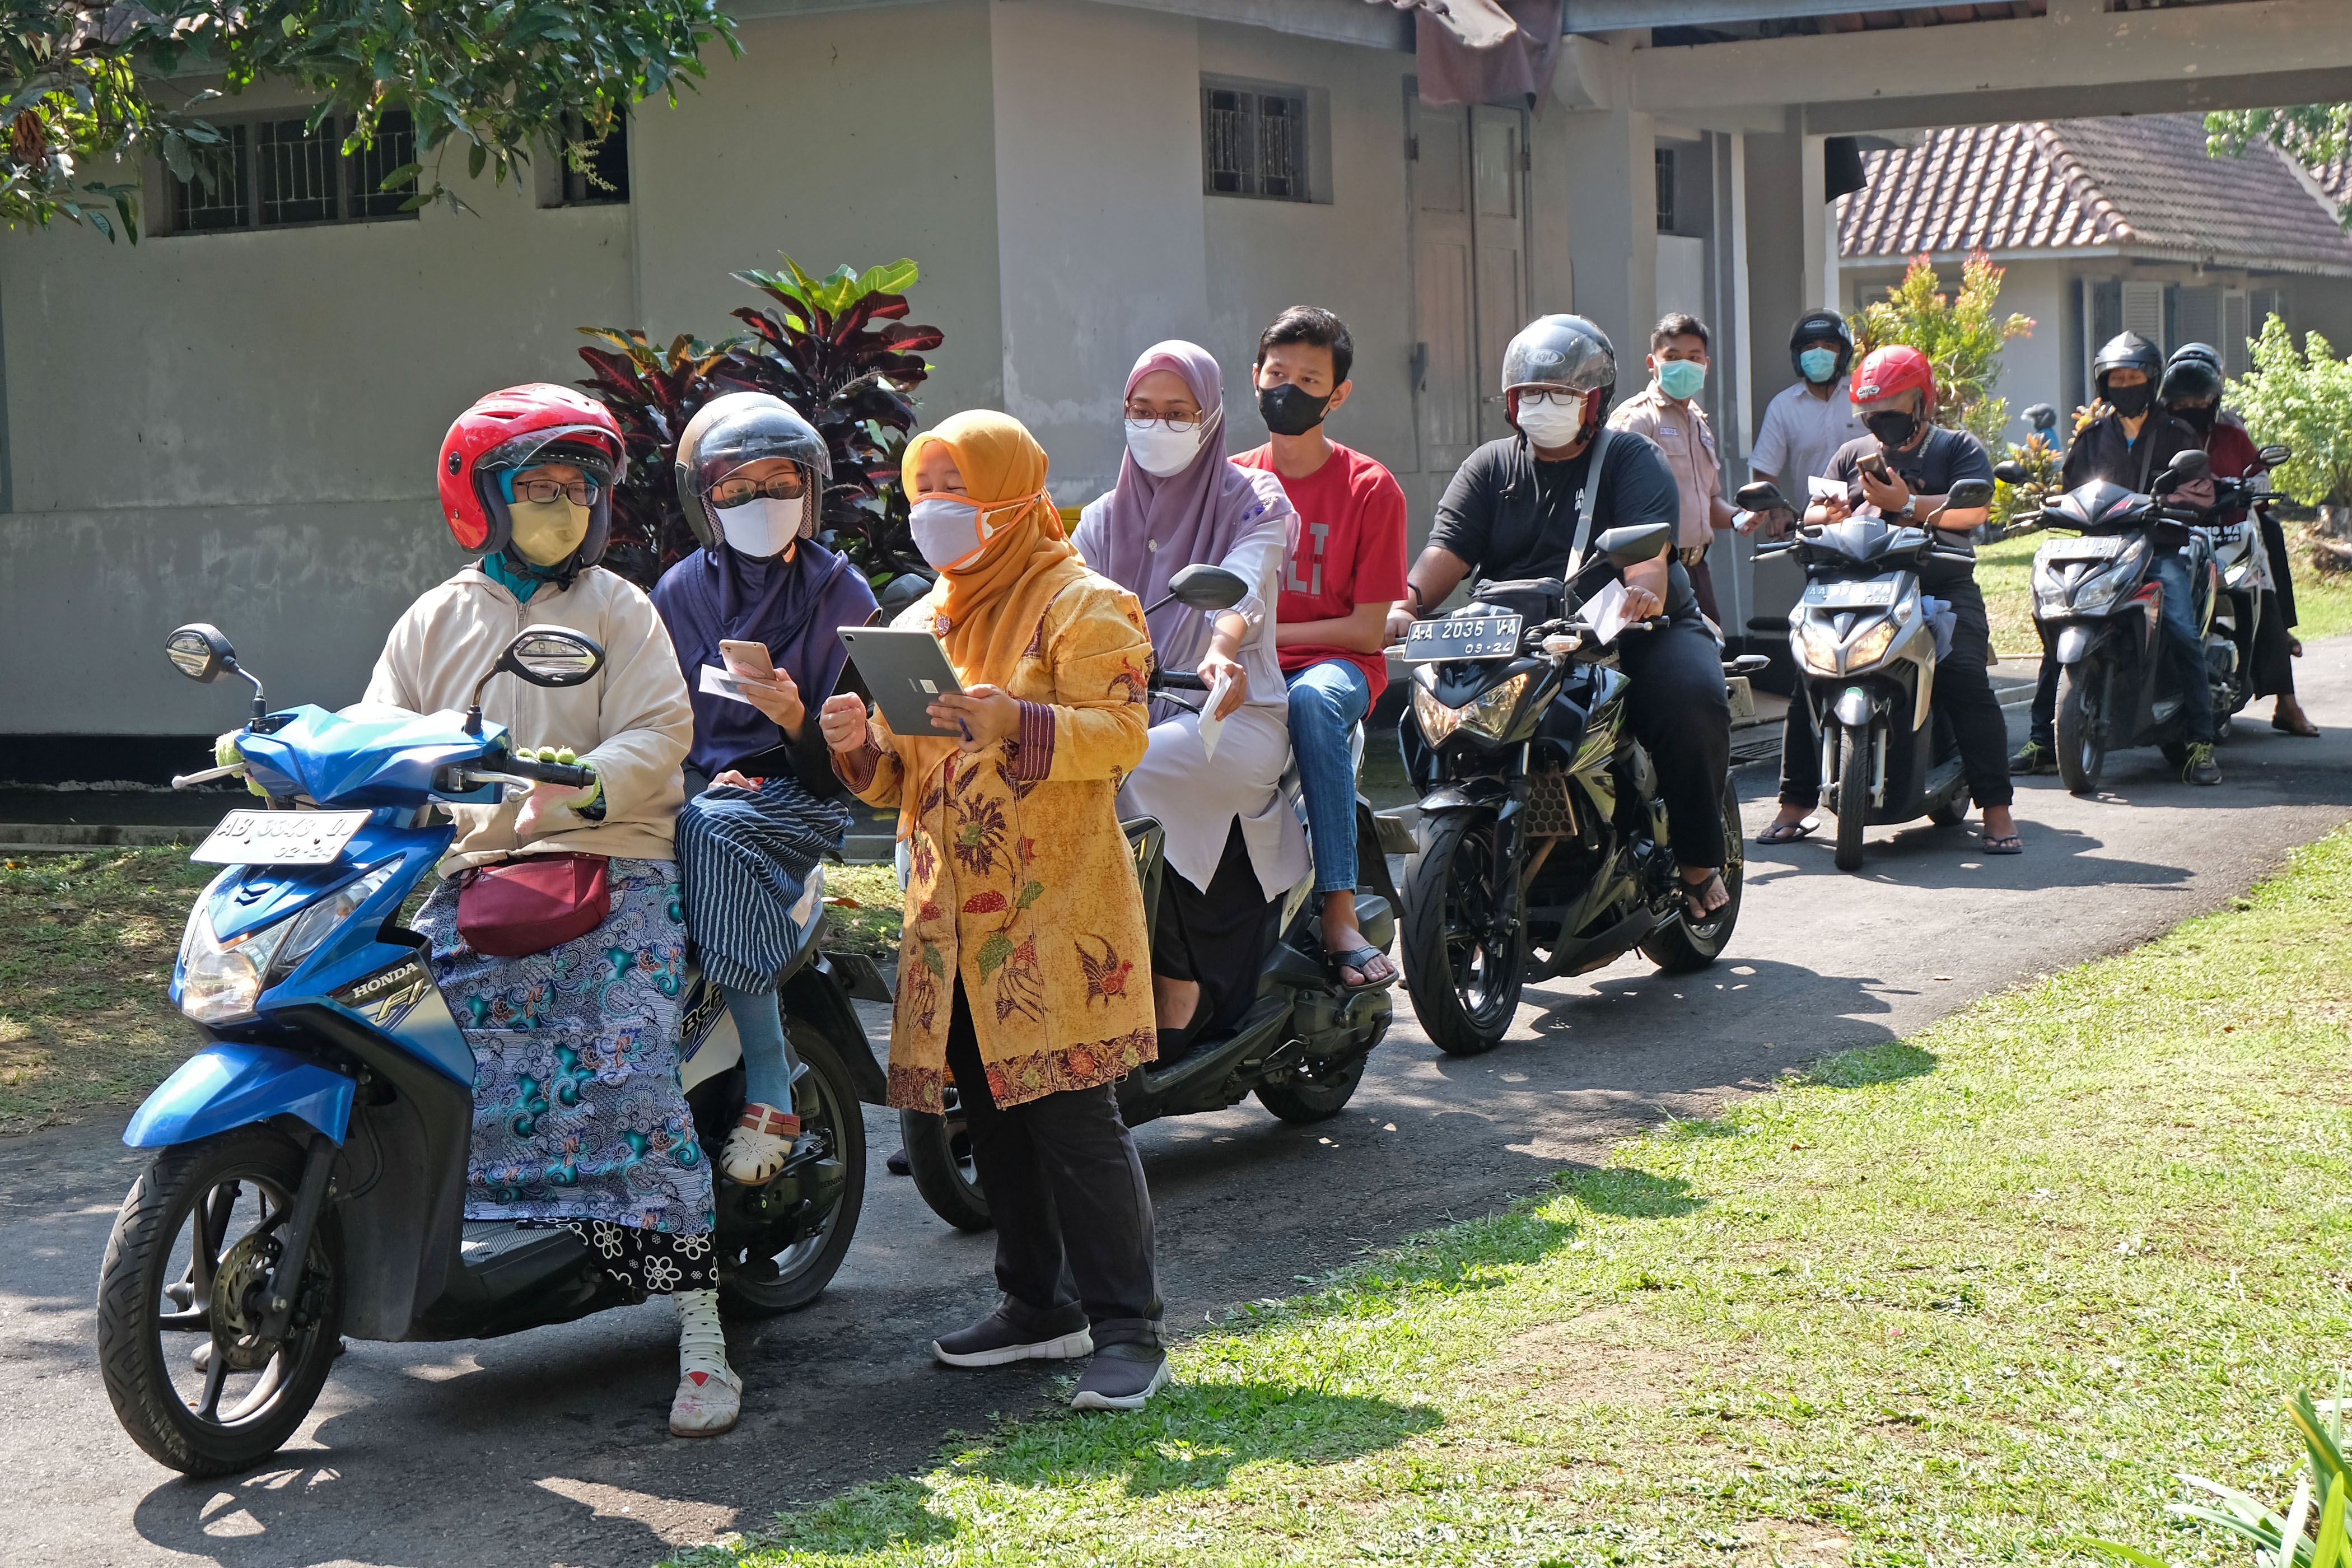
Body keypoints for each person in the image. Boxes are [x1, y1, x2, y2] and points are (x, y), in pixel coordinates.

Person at [361, 384, 730, 1436]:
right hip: (474, 883)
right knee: (410, 1050)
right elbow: (380, 738)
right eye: (539, 486)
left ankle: (701, 1323)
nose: (563, 505)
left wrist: (581, 786)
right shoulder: (432, 619)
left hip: (615, 869)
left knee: (631, 1065)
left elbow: (661, 735)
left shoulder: (622, 608)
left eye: (580, 487)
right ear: (484, 498)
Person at [818, 409, 1169, 1411]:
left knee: (1072, 1116)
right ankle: (1036, 1307)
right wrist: (854, 744)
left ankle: (1128, 1331)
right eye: (923, 495)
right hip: (951, 918)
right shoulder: (930, 616)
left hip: (1049, 912)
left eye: (957, 497)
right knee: (997, 1111)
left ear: (1016, 500)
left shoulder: (1086, 603)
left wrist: (1015, 718)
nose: (935, 516)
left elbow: (1123, 734)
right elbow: (905, 777)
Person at [1385, 314, 1734, 922]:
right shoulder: (1489, 467)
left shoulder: (1631, 457)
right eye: (1532, 394)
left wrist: (1645, 591)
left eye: (1564, 395)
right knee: (1433, 715)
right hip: (1519, 636)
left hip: (1631, 625)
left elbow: (1649, 557)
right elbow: (1444, 553)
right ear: (1512, 401)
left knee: (1691, 699)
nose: (1545, 405)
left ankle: (1700, 863)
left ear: (1594, 401)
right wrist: (1405, 603)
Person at [652, 393, 880, 1189]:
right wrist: (698, 773)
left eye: (780, 481)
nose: (761, 502)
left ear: (810, 489)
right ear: (705, 501)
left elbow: (843, 774)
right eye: (737, 488)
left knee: (710, 832)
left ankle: (772, 1086)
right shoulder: (679, 594)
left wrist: (794, 720)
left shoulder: (846, 598)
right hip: (699, 792)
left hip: (796, 798)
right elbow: (657, 719)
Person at [1075, 341, 1309, 1050]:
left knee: (1129, 768)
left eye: (1179, 413)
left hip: (1233, 709)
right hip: (1127, 712)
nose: (1158, 426)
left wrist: (1218, 649)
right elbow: (1062, 602)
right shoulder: (1101, 519)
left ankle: (1178, 977)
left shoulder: (1255, 498)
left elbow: (1243, 582)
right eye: (1142, 412)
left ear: (1209, 419)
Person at [1757, 346, 2022, 853]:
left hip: (1939, 587)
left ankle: (1997, 810)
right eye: (1872, 413)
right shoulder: (1850, 456)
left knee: (1965, 675)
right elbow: (1813, 514)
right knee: (1808, 679)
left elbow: (1974, 513)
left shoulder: (1956, 448)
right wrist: (1827, 515)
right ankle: (1794, 805)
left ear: (1923, 402)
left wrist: (1906, 504)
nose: (1882, 422)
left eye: (1893, 411)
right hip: (1854, 589)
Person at [1234, 306, 1407, 990]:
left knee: (1310, 702)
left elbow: (1368, 629)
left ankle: (1340, 912)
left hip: (1338, 670)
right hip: (1239, 663)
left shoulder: (1371, 488)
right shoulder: (1231, 482)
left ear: (1338, 394)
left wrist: (1267, 636)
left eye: (1309, 378)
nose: (1289, 388)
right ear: (1254, 377)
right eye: (1278, 373)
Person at [2012, 331, 2220, 785]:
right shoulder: (2091, 439)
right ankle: (2042, 742)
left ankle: (2201, 742)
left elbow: (2199, 486)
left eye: (2134, 376)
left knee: (2183, 633)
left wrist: (2171, 502)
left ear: (2151, 380)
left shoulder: (2176, 432)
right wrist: (2049, 507)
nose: (2125, 384)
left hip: (2157, 551)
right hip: (2097, 553)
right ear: (2105, 386)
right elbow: (2071, 492)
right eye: (2116, 378)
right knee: (2058, 628)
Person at [2161, 343, 2317, 738]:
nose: (2191, 406)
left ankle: (2286, 699)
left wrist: (2245, 493)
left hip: (2228, 530)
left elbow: (2258, 481)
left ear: (2215, 396)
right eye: (2182, 400)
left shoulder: (2231, 430)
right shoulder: (2157, 431)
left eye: (2199, 398)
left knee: (2260, 577)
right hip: (2171, 534)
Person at [1608, 312, 1739, 625]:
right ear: (1653, 363)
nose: (1684, 365)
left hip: (1697, 568)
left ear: (1706, 366)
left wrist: (1740, 517)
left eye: (1693, 358)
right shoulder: (1637, 419)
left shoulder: (1699, 423)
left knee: (1711, 658)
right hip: (1651, 573)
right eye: (1673, 357)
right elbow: (1612, 497)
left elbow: (1707, 503)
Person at [1749, 309, 1870, 530]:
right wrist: (1778, 513)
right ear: (1798, 355)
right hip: (1816, 525)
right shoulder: (1783, 406)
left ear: (1843, 352)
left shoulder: (1864, 396)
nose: (1819, 352)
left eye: (1829, 346)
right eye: (1810, 347)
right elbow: (1765, 469)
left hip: (1871, 519)